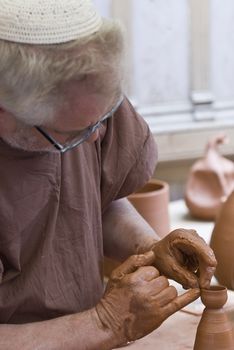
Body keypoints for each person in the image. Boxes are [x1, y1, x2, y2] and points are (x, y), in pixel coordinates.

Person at [0, 0, 217, 349]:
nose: (99, 135)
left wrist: (151, 246)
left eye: (106, 117)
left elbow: (98, 201)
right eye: (80, 132)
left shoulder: (85, 100)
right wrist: (105, 323)